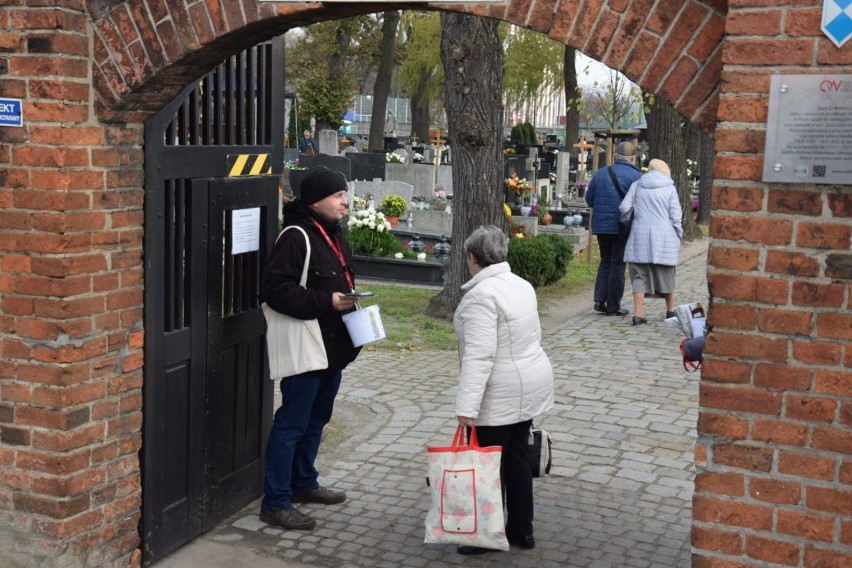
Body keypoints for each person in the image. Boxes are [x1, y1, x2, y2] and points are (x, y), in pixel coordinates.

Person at [259, 166, 361, 531]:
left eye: (344, 194)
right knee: (292, 424)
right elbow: (275, 291)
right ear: (316, 200)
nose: (344, 201)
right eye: (338, 195)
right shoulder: (296, 235)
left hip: (331, 348)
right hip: (306, 347)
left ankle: (304, 483)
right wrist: (326, 301)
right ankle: (276, 501)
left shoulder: (331, 232)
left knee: (317, 420)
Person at [453, 225, 555, 555]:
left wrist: (467, 407)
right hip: (528, 381)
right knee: (516, 458)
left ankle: (485, 534)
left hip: (500, 390)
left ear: (472, 257)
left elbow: (479, 357)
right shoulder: (520, 284)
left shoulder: (482, 297)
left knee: (488, 464)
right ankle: (522, 529)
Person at [619, 159, 683, 325]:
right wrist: (678, 233)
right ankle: (670, 311)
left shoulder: (638, 185)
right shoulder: (669, 188)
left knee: (639, 275)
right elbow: (676, 216)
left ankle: (638, 313)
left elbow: (624, 207)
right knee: (667, 274)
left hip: (639, 235)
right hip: (664, 236)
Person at [585, 141, 642, 316]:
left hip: (601, 226)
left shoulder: (600, 174)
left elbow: (589, 199)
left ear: (616, 156)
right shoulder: (637, 176)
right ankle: (613, 306)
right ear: (632, 158)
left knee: (605, 261)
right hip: (622, 226)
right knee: (618, 264)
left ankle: (599, 301)